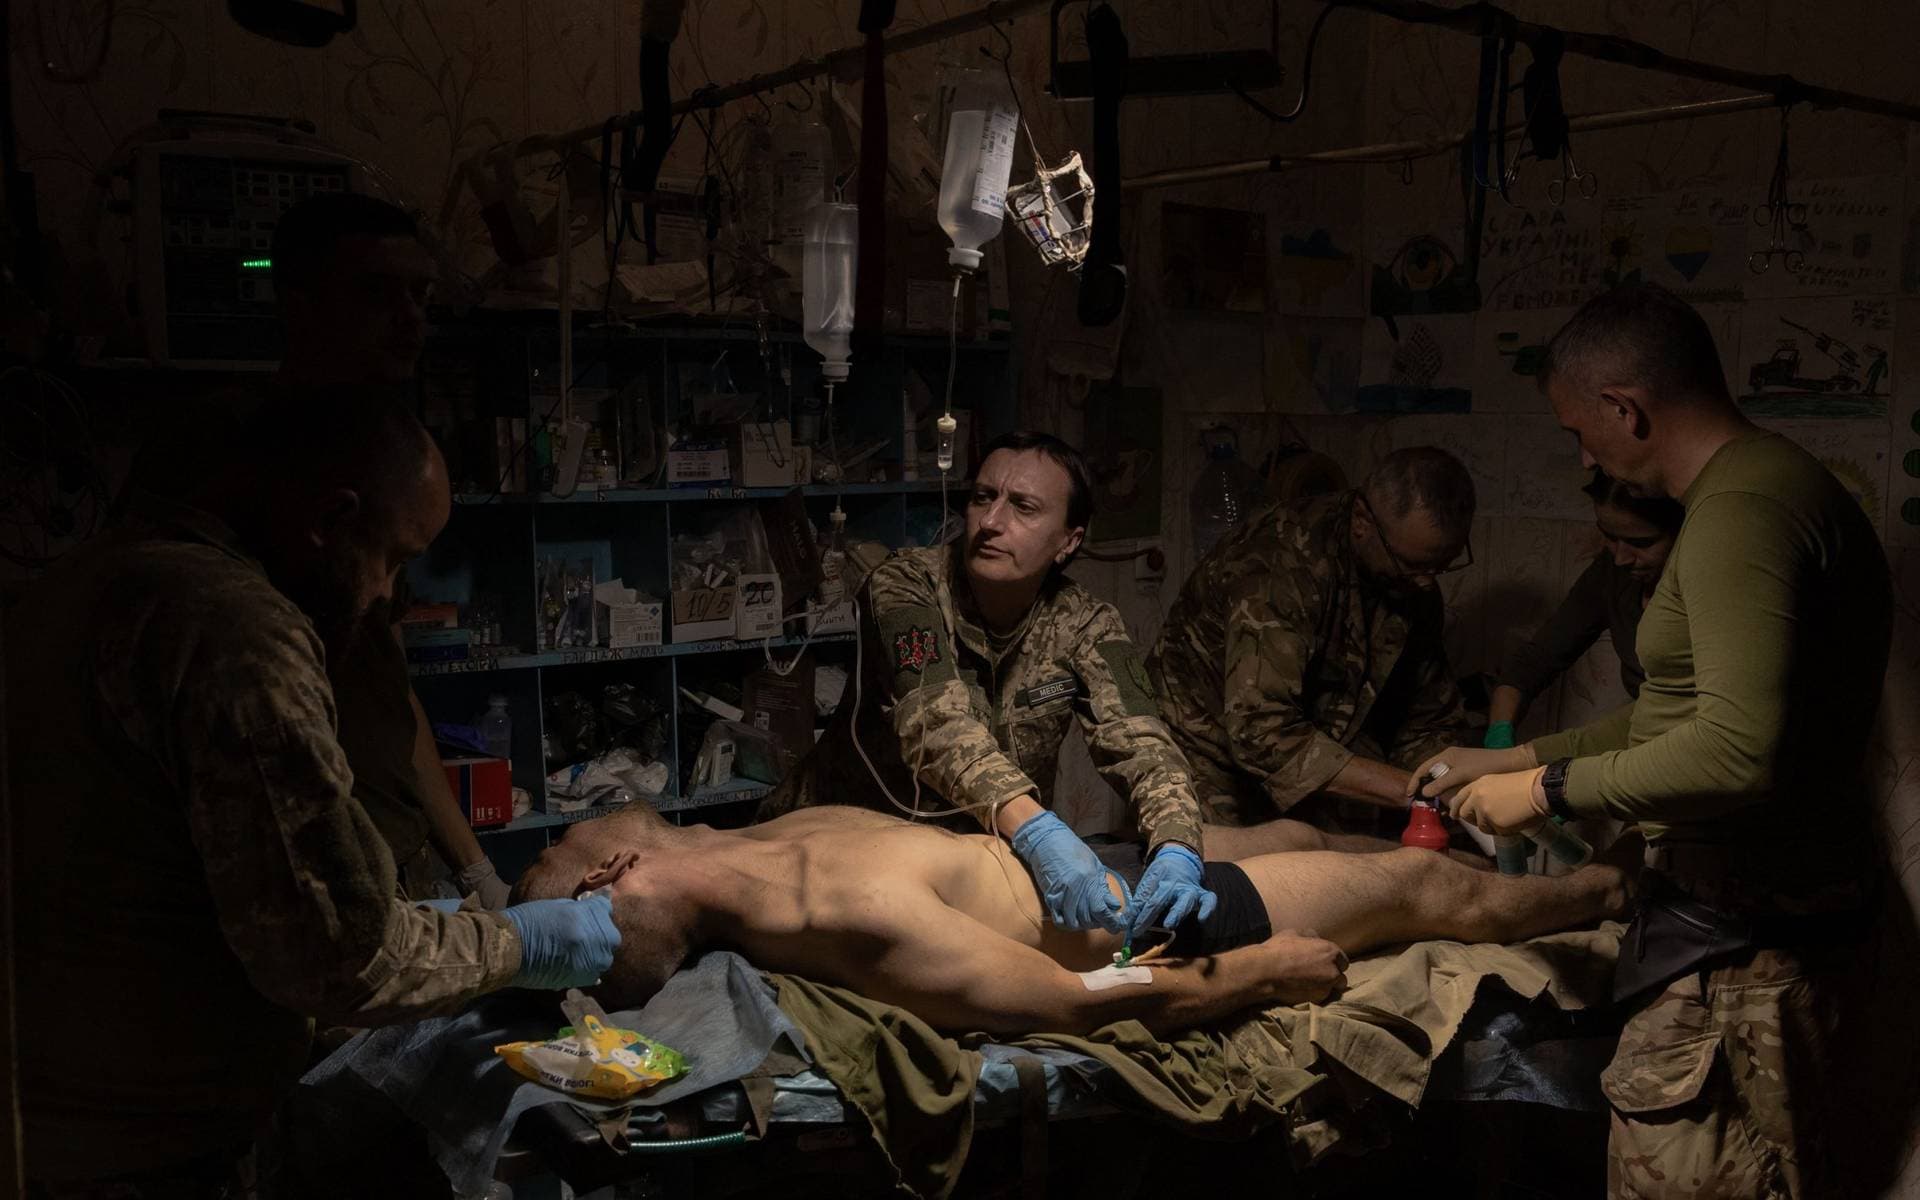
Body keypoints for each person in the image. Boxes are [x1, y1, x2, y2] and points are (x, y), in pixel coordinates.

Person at [8, 394, 621, 1193]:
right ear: (329, 519)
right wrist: (519, 943)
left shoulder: (79, 584)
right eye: (393, 560)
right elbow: (341, 958)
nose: (384, 598)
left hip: (55, 1114)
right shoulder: (236, 633)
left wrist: (422, 915)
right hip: (148, 1145)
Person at [1410, 282, 1891, 1198]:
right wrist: (1516, 756)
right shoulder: (1765, 488)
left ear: (1625, 409)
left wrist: (1550, 794)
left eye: (1577, 430)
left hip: (1749, 944)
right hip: (1742, 929)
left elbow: (1737, 748)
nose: (1581, 453)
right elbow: (1671, 709)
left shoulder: (1739, 514)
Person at [128, 191, 514, 908]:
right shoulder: (224, 460)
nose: (411, 321)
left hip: (388, 852)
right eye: (376, 293)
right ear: (298, 303)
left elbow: (387, 684)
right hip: (292, 874)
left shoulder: (387, 460)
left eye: (421, 295)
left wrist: (474, 869)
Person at [513, 802, 1631, 1036]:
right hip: (1147, 929)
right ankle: (1613, 894)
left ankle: (1598, 881)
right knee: (1428, 890)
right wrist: (1250, 976)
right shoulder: (830, 909)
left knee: (1296, 829)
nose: (601, 956)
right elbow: (1062, 998)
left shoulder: (753, 836)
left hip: (1104, 867)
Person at [758, 431, 1215, 946]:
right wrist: (1040, 831)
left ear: (1068, 541)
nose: (992, 522)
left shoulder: (1088, 623)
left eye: (1023, 507)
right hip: (837, 843)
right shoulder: (907, 584)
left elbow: (1142, 743)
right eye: (983, 497)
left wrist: (1178, 845)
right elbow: (935, 724)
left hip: (968, 859)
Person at [1149, 447, 1475, 851]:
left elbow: (1424, 721)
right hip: (1201, 743)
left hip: (1308, 740)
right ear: (1362, 522)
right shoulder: (1278, 565)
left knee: (1349, 866)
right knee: (1228, 879)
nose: (1427, 584)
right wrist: (1412, 790)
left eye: (1441, 567)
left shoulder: (1412, 582)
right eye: (1413, 565)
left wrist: (1459, 781)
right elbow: (1260, 730)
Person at [1481, 468, 1684, 748]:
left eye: (1641, 543)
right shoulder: (1613, 574)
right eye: (1610, 537)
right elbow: (1534, 662)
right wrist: (1499, 736)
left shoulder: (1706, 588)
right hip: (1641, 743)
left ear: (1682, 534)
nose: (1621, 558)